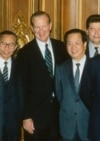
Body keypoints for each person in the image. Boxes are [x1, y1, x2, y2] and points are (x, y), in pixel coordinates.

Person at [16, 11, 69, 141]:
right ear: (32, 29)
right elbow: (21, 88)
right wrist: (26, 117)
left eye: (44, 26)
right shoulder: (24, 53)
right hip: (34, 118)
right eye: (37, 27)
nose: (41, 31)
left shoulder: (62, 47)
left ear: (50, 26)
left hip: (59, 115)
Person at [55, 29, 90, 141]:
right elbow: (59, 96)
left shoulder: (96, 67)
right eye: (69, 44)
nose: (73, 47)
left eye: (77, 43)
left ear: (85, 44)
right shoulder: (60, 69)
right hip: (67, 127)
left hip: (89, 125)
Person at [0, 31, 22, 141]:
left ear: (16, 47)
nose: (7, 48)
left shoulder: (20, 66)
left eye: (11, 44)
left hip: (13, 123)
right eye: (3, 43)